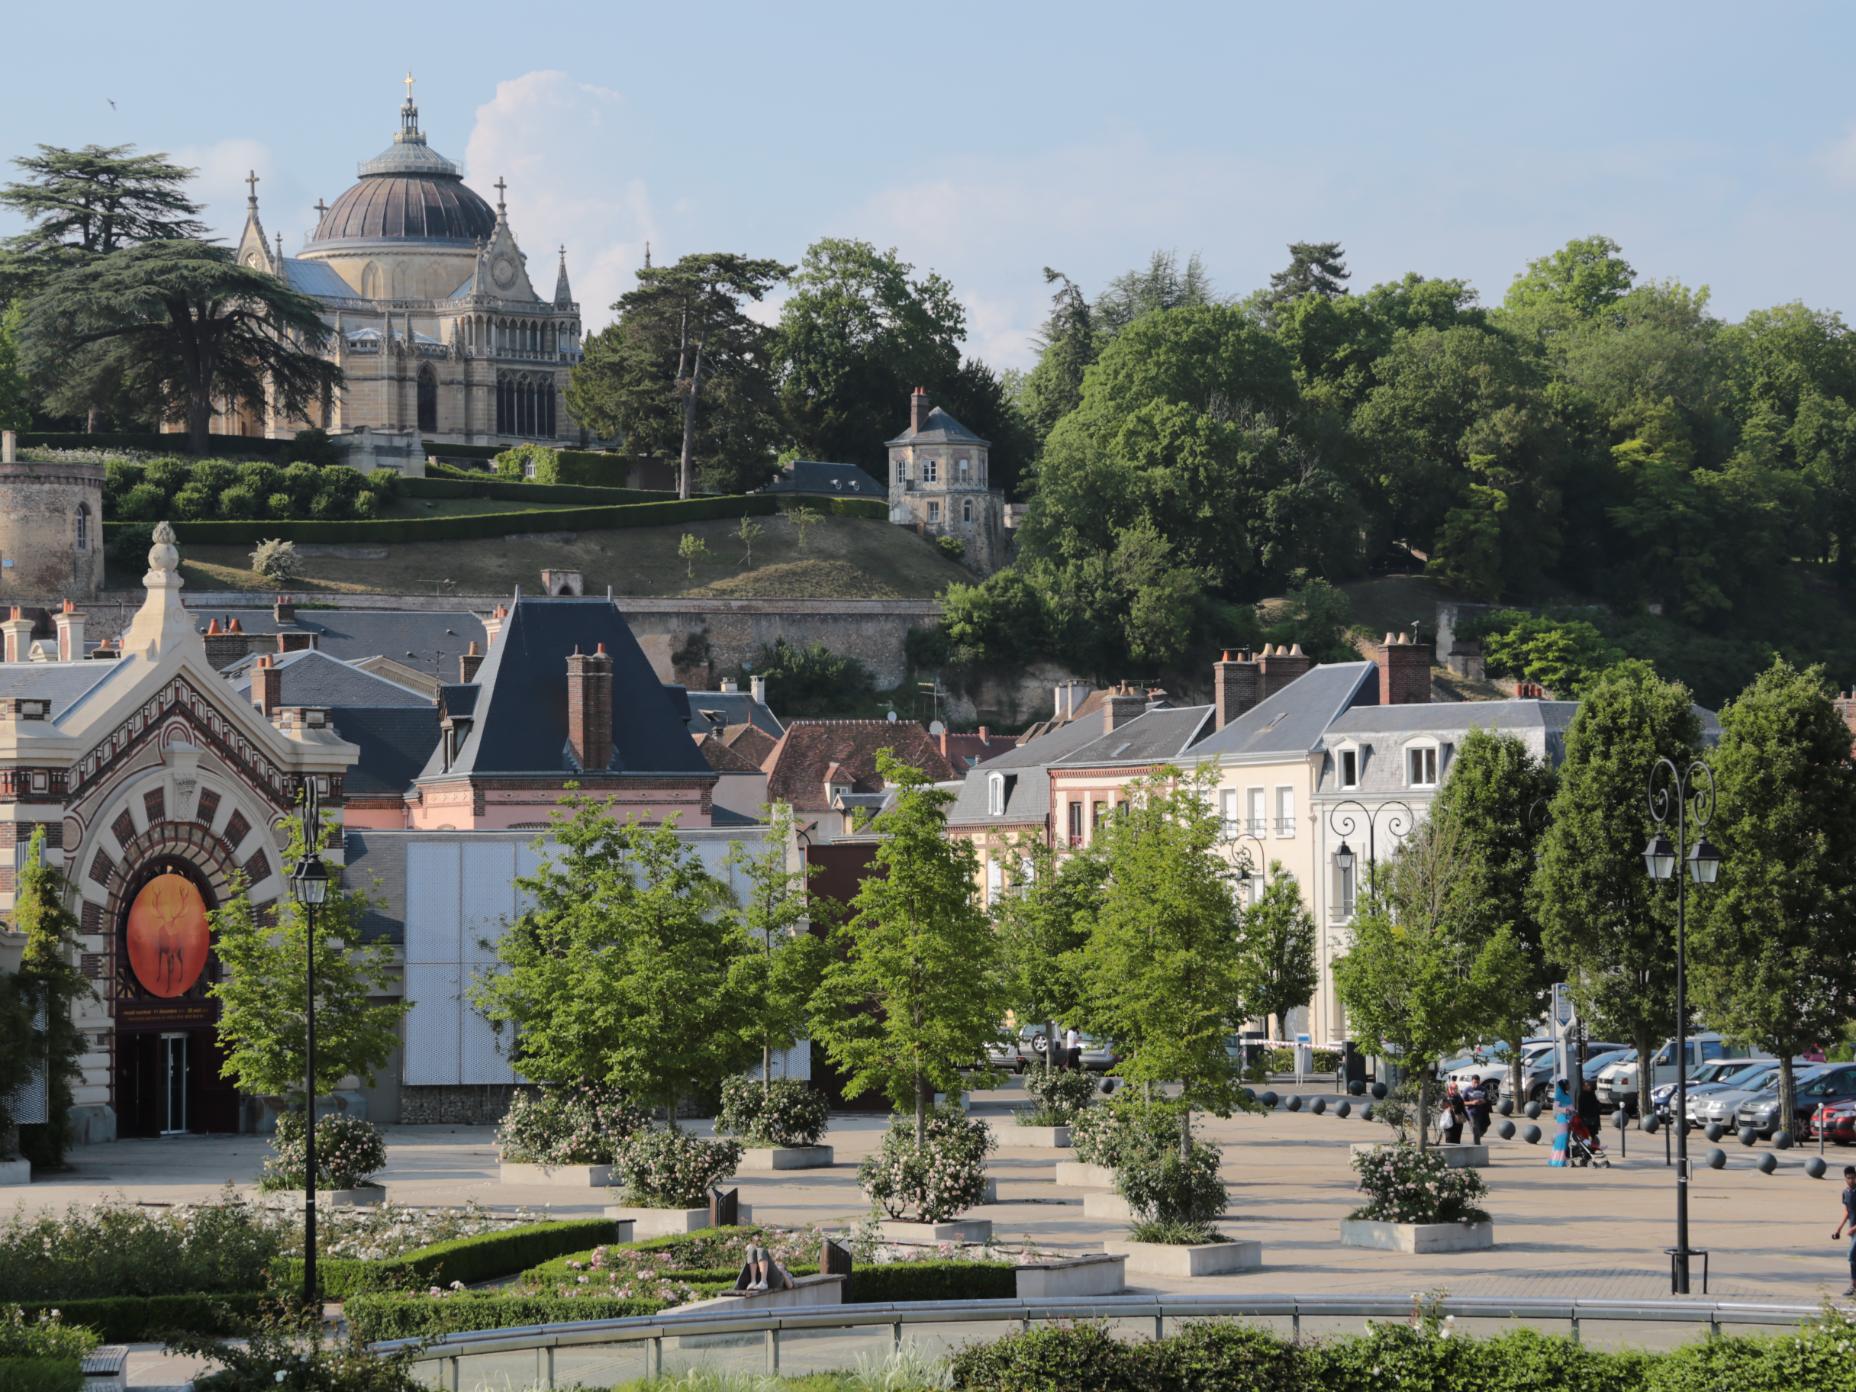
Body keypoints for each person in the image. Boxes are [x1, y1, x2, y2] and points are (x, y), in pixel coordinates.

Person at [1835, 1166, 1856, 1297]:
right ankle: (1853, 1286)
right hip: (1852, 1231)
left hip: (1854, 1230)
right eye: (1848, 1178)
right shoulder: (1846, 1192)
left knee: (1851, 1255)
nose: (1851, 1180)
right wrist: (1839, 1229)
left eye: (1853, 1177)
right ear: (1845, 1178)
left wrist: (1854, 1228)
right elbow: (1847, 1212)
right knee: (1854, 1259)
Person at [1464, 1074, 1492, 1143]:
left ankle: (1477, 1136)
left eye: (1477, 1082)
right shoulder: (1467, 1090)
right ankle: (1477, 1145)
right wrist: (1472, 1102)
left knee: (1483, 1128)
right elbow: (1463, 1102)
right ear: (1472, 1082)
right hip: (1471, 1112)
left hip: (1482, 1112)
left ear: (1479, 1082)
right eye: (1474, 1082)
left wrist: (1483, 1101)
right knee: (1475, 1128)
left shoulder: (1483, 1089)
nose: (1476, 1084)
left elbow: (1487, 1100)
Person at [1440, 1080, 1465, 1145]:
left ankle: (1457, 1153)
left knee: (1457, 1140)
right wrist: (1447, 1108)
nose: (1454, 1090)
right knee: (1449, 1138)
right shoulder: (1445, 1097)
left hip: (1457, 1122)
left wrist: (1469, 1119)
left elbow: (1463, 1109)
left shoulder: (1459, 1097)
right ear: (1449, 1089)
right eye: (1452, 1088)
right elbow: (1441, 1107)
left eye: (1455, 1088)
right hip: (1448, 1121)